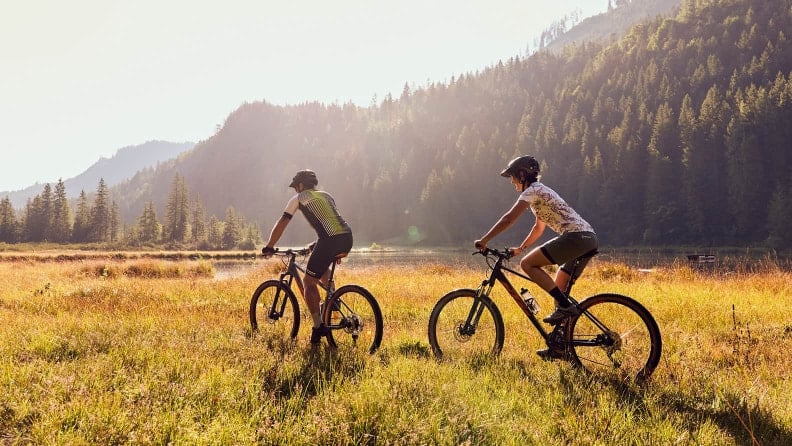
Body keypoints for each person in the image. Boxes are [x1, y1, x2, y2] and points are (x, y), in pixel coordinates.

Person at [474, 156, 598, 356]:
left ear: (522, 174)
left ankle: (566, 307)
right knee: (559, 287)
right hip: (588, 238)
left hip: (576, 237)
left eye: (513, 177)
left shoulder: (533, 191)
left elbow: (509, 219)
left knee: (528, 265)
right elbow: (538, 228)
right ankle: (561, 345)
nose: (512, 183)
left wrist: (484, 240)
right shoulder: (541, 193)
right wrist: (520, 248)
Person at [262, 169, 353, 346]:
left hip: (330, 240)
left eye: (296, 187)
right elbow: (331, 221)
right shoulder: (326, 195)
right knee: (322, 269)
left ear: (301, 185)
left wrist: (270, 246)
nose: (296, 190)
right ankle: (332, 301)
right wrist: (321, 246)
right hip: (346, 237)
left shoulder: (299, 198)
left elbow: (282, 222)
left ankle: (319, 326)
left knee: (309, 282)